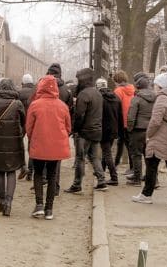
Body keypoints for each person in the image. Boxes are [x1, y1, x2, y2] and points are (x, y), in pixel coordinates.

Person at [131, 69, 167, 206]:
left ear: (160, 86)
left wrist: (148, 135)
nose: (153, 87)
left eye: (155, 85)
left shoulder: (162, 98)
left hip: (160, 138)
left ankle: (146, 195)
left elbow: (156, 121)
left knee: (152, 165)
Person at [26, 75, 72, 220]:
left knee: (38, 174)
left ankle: (39, 205)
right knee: (52, 176)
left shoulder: (35, 104)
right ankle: (49, 209)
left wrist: (34, 138)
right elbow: (68, 127)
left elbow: (29, 128)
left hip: (39, 144)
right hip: (57, 146)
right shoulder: (63, 106)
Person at [64, 68, 107, 193]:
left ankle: (77, 184)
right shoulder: (98, 93)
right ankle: (102, 180)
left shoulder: (83, 95)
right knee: (94, 157)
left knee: (80, 158)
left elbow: (79, 115)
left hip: (84, 132)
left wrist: (76, 130)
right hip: (96, 130)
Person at [0, 79, 26, 216]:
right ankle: (9, 202)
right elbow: (23, 121)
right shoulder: (18, 104)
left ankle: (2, 201)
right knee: (11, 172)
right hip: (13, 142)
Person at [125, 75, 155, 185]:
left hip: (138, 130)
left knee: (136, 154)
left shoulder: (136, 98)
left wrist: (129, 129)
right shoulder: (155, 97)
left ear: (138, 86)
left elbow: (131, 116)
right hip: (151, 130)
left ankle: (136, 178)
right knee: (149, 155)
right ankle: (153, 179)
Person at [97, 78, 122, 185]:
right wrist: (119, 130)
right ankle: (101, 172)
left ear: (98, 87)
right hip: (114, 129)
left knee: (107, 153)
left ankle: (114, 177)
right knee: (106, 151)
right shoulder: (116, 97)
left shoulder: (99, 98)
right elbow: (120, 115)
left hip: (103, 130)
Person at [112, 71, 135, 169]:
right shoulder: (133, 89)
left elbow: (115, 107)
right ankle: (131, 166)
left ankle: (116, 164)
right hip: (131, 120)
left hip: (121, 121)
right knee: (128, 144)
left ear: (117, 81)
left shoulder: (118, 91)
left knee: (122, 143)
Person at [17, 74, 35, 180]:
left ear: (23, 83)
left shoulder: (19, 93)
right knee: (31, 147)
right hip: (32, 122)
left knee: (19, 145)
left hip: (20, 122)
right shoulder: (35, 92)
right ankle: (30, 172)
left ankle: (22, 166)